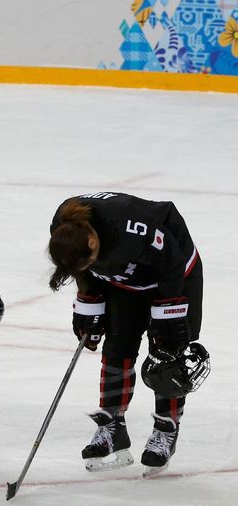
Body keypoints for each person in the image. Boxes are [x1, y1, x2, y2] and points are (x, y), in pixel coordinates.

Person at [48, 191, 202, 476]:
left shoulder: (132, 229)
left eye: (89, 259)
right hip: (127, 282)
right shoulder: (65, 229)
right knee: (117, 347)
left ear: (93, 242)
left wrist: (168, 310)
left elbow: (172, 261)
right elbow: (85, 273)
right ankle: (112, 426)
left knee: (166, 356)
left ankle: (166, 429)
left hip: (174, 274)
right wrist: (88, 306)